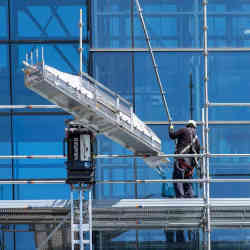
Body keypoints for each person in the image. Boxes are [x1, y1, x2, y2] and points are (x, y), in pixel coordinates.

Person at [169, 120, 200, 198]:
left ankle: (180, 197)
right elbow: (198, 152)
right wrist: (193, 164)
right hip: (189, 163)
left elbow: (172, 136)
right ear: (194, 127)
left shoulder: (183, 130)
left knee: (178, 178)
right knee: (188, 180)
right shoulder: (196, 137)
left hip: (181, 159)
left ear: (188, 125)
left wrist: (171, 128)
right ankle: (189, 196)